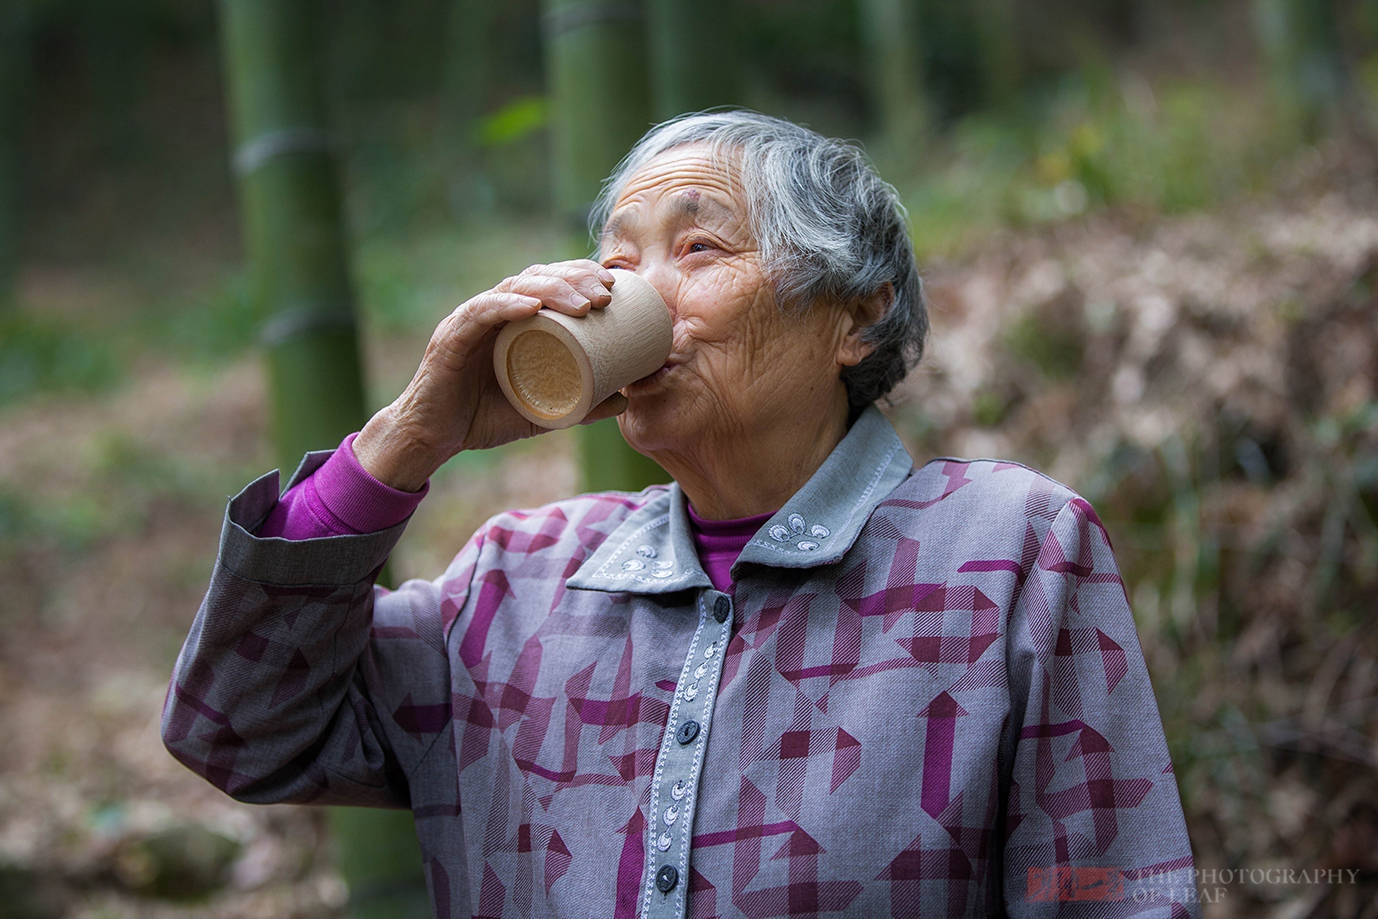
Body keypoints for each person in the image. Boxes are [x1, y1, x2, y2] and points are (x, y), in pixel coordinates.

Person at [163, 111, 1198, 918]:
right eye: (614, 267)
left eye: (698, 248)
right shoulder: (515, 581)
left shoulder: (1006, 551)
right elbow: (238, 731)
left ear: (857, 310)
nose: (630, 297)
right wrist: (405, 441)